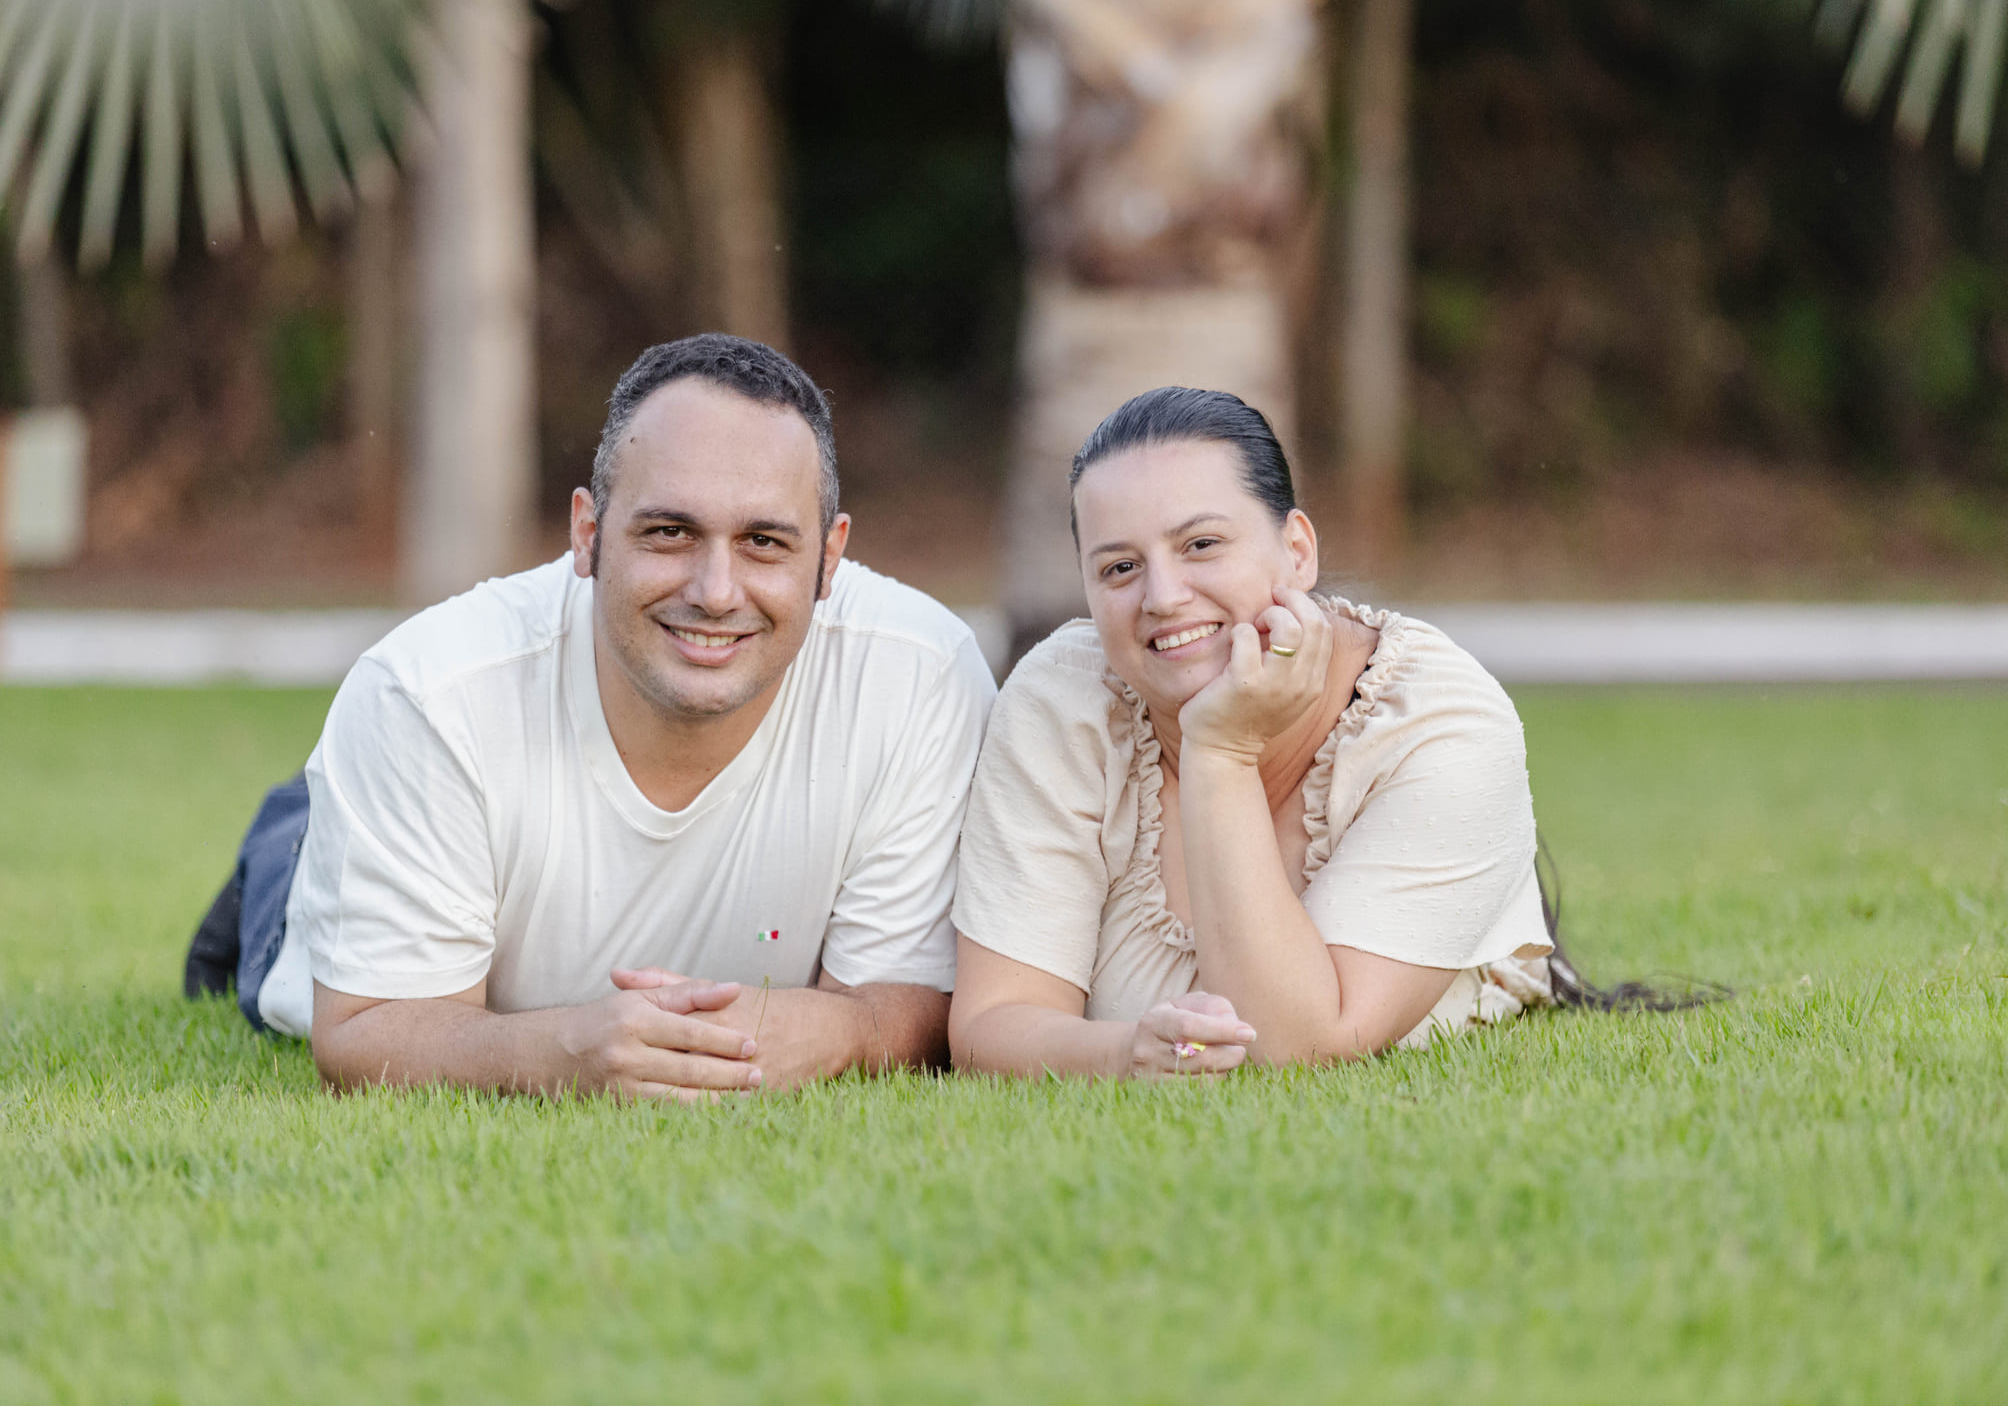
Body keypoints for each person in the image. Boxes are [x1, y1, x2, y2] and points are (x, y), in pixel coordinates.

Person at [184, 334, 997, 1102]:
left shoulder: (921, 678)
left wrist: (842, 1031)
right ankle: (293, 831)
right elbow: (362, 1030)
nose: (716, 591)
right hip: (387, 823)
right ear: (587, 532)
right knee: (293, 879)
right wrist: (568, 1051)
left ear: (830, 556)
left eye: (763, 542)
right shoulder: (427, 695)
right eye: (670, 532)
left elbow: (932, 1000)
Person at [948, 386, 1574, 1081]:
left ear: (1297, 551)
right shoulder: (1064, 701)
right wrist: (1123, 1056)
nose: (1162, 596)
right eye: (1120, 567)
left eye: (1202, 544)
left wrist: (1223, 751)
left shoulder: (1441, 723)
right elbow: (991, 1022)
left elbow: (1293, 1046)